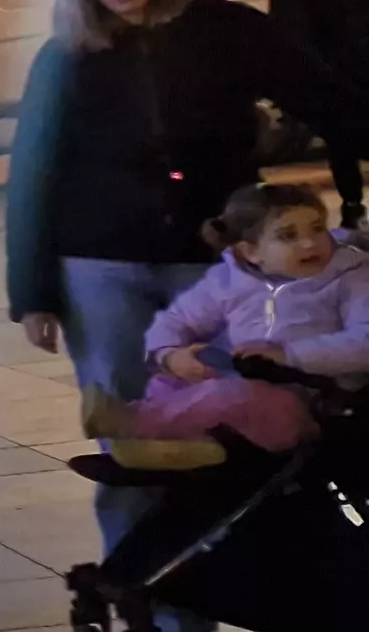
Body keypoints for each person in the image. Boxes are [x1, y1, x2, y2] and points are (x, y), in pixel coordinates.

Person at [11, 0, 367, 632]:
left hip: (216, 262)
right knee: (135, 437)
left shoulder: (226, 29)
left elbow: (330, 98)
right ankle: (164, 607)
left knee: (262, 422)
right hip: (101, 266)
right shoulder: (66, 56)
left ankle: (305, 590)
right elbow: (33, 174)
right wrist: (31, 289)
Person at [87, 182, 369, 462]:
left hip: (312, 403)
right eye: (288, 236)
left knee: (230, 396)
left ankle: (136, 424)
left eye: (318, 228)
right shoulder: (229, 281)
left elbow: (364, 342)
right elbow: (178, 319)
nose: (309, 243)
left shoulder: (351, 277)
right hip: (241, 385)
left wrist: (289, 355)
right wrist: (170, 354)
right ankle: (184, 446)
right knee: (170, 383)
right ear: (250, 252)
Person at [267, 0, 369, 229]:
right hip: (325, 77)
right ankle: (352, 204)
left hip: (362, 69)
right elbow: (283, 31)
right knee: (341, 144)